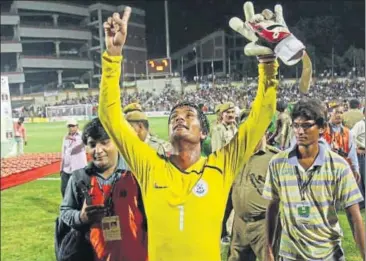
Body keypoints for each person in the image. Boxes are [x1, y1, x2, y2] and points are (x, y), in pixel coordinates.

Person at [97, 3, 280, 260]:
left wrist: (267, 62)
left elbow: (261, 116)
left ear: (204, 133)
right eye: (174, 117)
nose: (179, 119)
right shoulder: (149, 165)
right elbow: (110, 115)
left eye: (189, 116)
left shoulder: (221, 165)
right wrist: (113, 56)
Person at [263, 99, 365, 261]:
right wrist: (268, 249)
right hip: (290, 255)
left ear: (322, 128)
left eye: (306, 125)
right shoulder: (277, 163)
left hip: (328, 254)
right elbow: (273, 208)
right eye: (296, 126)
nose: (300, 131)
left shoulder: (338, 166)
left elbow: (354, 216)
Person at [60, 118, 147, 261]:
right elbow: (65, 211)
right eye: (92, 145)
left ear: (117, 142)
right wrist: (81, 218)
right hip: (91, 254)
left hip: (134, 254)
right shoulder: (79, 177)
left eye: (105, 142)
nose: (98, 150)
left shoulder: (136, 174)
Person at [228, 135, 281, 261]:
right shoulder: (236, 156)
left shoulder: (275, 158)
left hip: (264, 224)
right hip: (239, 223)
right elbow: (230, 191)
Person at [323, 104, 361, 183]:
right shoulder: (322, 131)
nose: (339, 115)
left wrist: (355, 169)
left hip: (344, 170)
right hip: (326, 171)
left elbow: (352, 153)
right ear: (330, 113)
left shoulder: (347, 132)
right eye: (336, 112)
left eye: (341, 112)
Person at [60, 119, 87, 197]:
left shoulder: (82, 135)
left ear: (77, 126)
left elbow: (81, 145)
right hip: (66, 169)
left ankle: (80, 207)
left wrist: (73, 139)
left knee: (80, 191)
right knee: (64, 190)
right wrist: (61, 168)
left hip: (78, 168)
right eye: (69, 126)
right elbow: (63, 152)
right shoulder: (65, 137)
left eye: (73, 126)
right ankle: (66, 207)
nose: (71, 128)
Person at [351, 108, 366, 209]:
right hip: (362, 153)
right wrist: (356, 149)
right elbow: (351, 136)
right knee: (361, 180)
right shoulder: (360, 124)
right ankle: (361, 203)